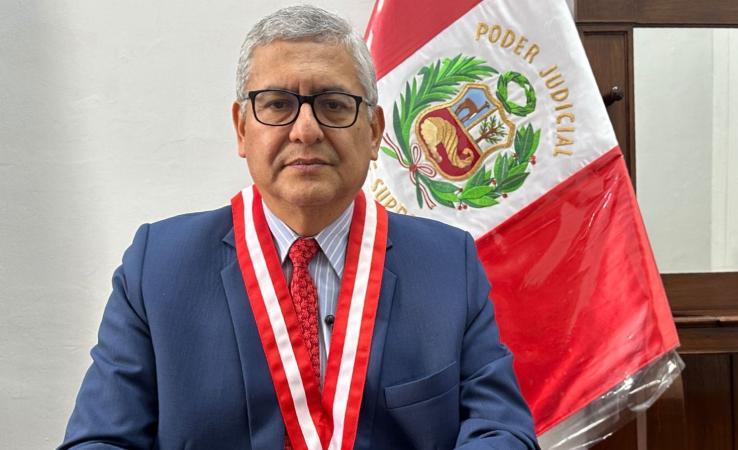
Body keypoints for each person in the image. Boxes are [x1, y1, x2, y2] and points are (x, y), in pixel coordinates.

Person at [60, 5, 539, 449]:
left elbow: (503, 432)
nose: (306, 130)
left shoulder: (448, 265)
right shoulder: (158, 267)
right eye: (277, 104)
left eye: (334, 105)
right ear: (241, 129)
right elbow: (99, 440)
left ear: (374, 131)